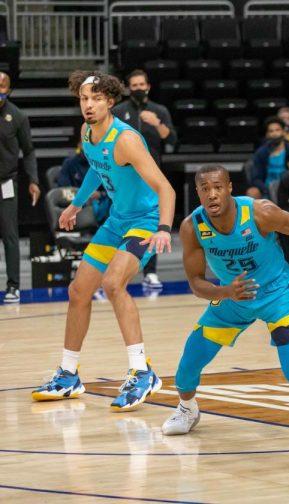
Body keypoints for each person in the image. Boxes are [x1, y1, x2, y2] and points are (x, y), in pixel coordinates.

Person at [161, 165, 289, 435]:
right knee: (187, 366)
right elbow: (196, 283)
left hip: (276, 294)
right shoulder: (192, 227)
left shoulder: (260, 213)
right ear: (197, 192)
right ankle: (187, 410)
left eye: (218, 187)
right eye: (205, 189)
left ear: (230, 188)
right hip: (234, 296)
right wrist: (226, 292)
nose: (212, 195)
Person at [31, 71, 177, 411]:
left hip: (144, 220)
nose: (89, 105)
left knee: (113, 284)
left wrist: (164, 229)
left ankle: (142, 372)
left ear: (110, 101)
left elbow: (165, 187)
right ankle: (68, 374)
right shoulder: (87, 132)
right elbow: (97, 167)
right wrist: (76, 204)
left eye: (96, 98)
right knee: (79, 291)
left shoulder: (126, 140)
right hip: (116, 222)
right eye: (84, 98)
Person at [112, 69, 178, 289]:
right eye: (134, 85)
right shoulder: (120, 111)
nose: (138, 88)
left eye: (142, 85)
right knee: (123, 221)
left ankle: (150, 272)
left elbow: (172, 140)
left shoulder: (159, 110)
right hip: (125, 177)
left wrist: (157, 123)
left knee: (153, 223)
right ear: (129, 88)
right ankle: (121, 271)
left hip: (153, 176)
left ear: (148, 86)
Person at [0, 71, 40, 303]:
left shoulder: (17, 116)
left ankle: (13, 286)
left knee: (10, 236)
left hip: (6, 183)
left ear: (9, 90)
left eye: (2, 86)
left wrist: (33, 180)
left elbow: (29, 151)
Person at [247, 117, 289, 199]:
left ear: (283, 132)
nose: (274, 133)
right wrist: (266, 189)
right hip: (267, 190)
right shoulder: (261, 153)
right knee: (252, 192)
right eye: (271, 131)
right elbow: (257, 178)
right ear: (267, 134)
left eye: (277, 130)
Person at [56, 145, 111, 224]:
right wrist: (81, 196)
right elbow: (64, 189)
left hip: (102, 201)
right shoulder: (70, 163)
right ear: (79, 145)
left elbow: (114, 188)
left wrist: (101, 194)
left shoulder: (105, 163)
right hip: (78, 201)